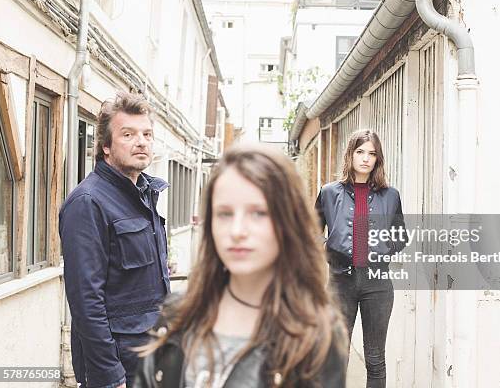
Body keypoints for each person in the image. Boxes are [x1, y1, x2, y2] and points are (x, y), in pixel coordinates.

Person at [134, 144, 348, 388]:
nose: (237, 231)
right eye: (224, 214)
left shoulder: (316, 334)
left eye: (258, 213)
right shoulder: (177, 315)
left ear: (288, 222)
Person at [59, 92, 170, 388]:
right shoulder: (88, 202)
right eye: (128, 134)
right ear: (106, 146)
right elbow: (85, 301)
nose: (142, 141)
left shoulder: (145, 196)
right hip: (117, 368)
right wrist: (110, 375)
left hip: (148, 357)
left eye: (147, 134)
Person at [315, 129, 407, 388]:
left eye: (372, 153)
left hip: (377, 286)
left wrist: (383, 249)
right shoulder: (329, 192)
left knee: (375, 359)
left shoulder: (391, 195)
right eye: (360, 152)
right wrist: (328, 248)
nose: (366, 158)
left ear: (378, 159)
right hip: (339, 284)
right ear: (351, 155)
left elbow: (401, 237)